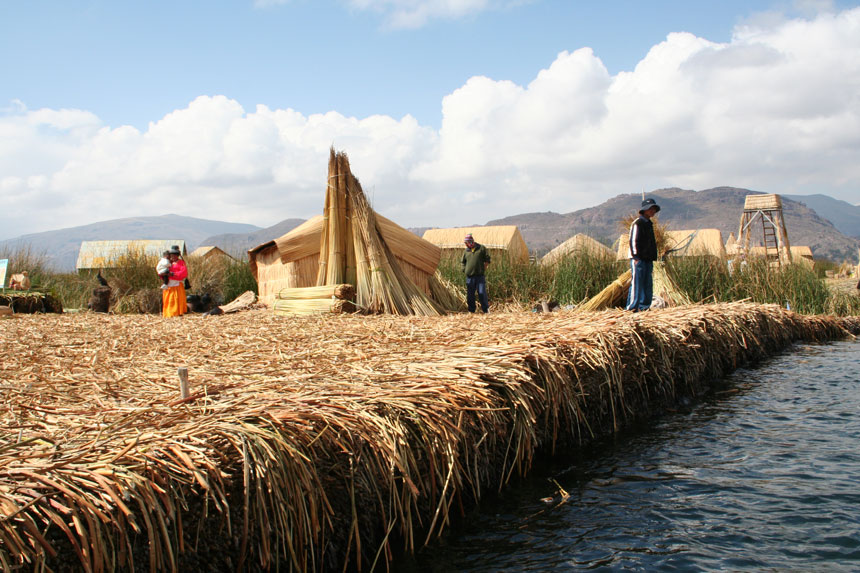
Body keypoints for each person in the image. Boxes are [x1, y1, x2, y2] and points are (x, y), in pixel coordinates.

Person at [626, 198, 661, 312]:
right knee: (637, 282)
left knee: (647, 283)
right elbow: (633, 240)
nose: (652, 211)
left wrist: (653, 256)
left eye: (654, 209)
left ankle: (644, 306)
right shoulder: (638, 223)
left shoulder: (649, 224)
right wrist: (636, 257)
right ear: (645, 210)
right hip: (639, 259)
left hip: (648, 259)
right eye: (650, 209)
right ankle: (632, 307)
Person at [461, 233, 491, 313]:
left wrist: (484, 267)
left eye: (466, 243)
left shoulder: (481, 248)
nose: (466, 245)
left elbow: (487, 259)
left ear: (471, 242)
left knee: (481, 292)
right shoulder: (466, 251)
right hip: (470, 277)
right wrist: (464, 269)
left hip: (479, 276)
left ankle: (486, 310)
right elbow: (463, 262)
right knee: (470, 295)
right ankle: (471, 310)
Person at [162, 245, 188, 317]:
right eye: (171, 255)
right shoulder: (168, 263)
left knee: (176, 299)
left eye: (174, 255)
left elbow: (183, 273)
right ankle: (169, 313)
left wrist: (173, 274)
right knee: (168, 299)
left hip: (176, 285)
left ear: (177, 255)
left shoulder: (181, 263)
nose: (173, 257)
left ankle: (176, 313)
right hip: (168, 284)